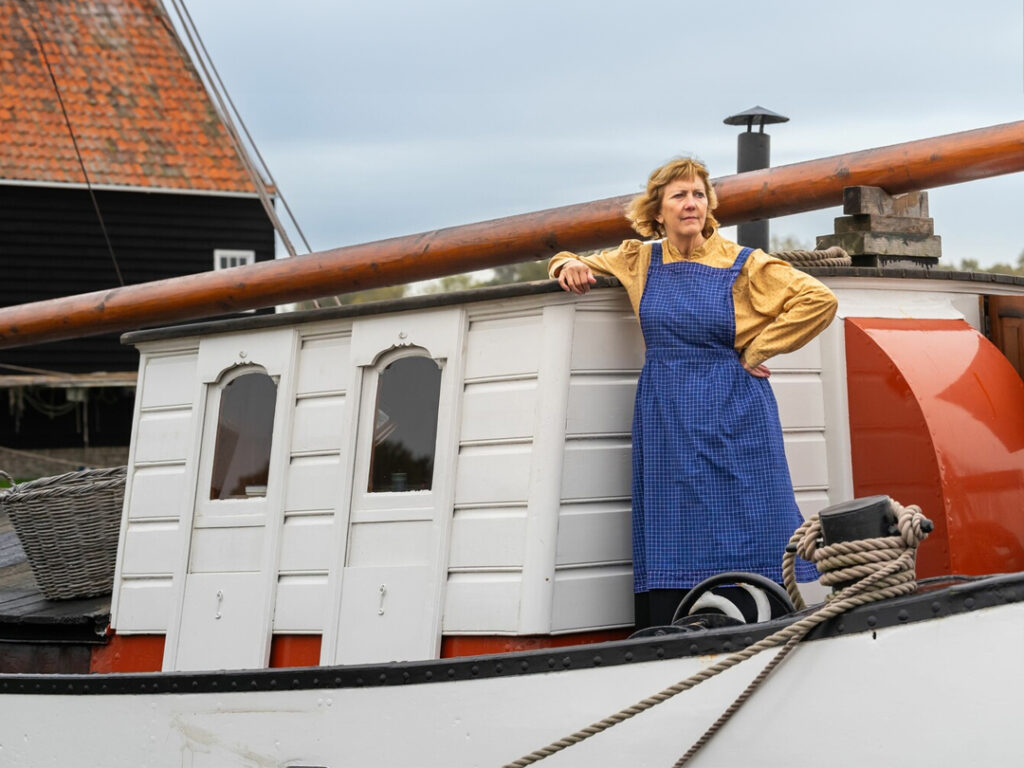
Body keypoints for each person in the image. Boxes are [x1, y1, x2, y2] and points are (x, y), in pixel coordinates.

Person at [549, 157, 837, 629]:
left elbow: (818, 300)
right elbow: (570, 259)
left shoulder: (744, 263)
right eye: (680, 195)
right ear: (657, 211)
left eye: (699, 195)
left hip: (736, 405)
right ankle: (674, 621)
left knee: (748, 511)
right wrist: (567, 264)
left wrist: (756, 348)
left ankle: (757, 614)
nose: (691, 204)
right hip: (667, 409)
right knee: (672, 515)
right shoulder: (638, 258)